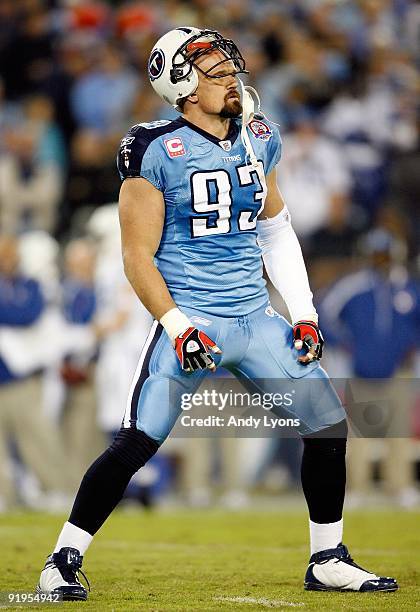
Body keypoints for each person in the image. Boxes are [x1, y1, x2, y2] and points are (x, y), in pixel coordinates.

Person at [37, 27, 397, 600]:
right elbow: (137, 256)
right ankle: (62, 560)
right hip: (194, 316)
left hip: (256, 317)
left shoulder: (259, 135)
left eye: (231, 67)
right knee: (137, 439)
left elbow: (276, 230)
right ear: (180, 83)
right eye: (215, 71)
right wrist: (178, 327)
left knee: (327, 428)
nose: (232, 78)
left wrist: (303, 313)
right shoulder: (153, 147)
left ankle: (327, 556)